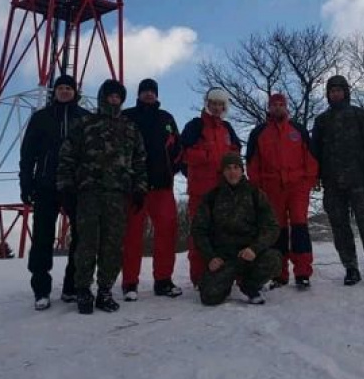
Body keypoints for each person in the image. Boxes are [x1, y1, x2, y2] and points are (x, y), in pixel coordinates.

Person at [56, 79, 148, 314]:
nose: (114, 99)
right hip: (88, 193)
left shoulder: (130, 127)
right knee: (87, 243)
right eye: (110, 95)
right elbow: (67, 157)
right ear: (102, 97)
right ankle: (83, 289)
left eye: (118, 96)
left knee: (112, 246)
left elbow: (140, 160)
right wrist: (65, 187)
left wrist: (140, 188)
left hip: (118, 195)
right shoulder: (85, 123)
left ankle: (105, 290)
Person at [18, 74, 90, 310]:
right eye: (60, 88)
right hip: (46, 185)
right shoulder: (41, 117)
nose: (64, 91)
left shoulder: (85, 118)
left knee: (81, 237)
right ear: (54, 91)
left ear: (75, 91)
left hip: (77, 186)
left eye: (69, 87)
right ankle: (41, 289)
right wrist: (26, 183)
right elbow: (28, 153)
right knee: (42, 238)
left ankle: (72, 286)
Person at [311, 75, 364, 289]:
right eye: (331, 91)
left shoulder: (359, 115)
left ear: (345, 92)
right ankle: (350, 268)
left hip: (359, 181)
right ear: (328, 94)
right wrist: (314, 176)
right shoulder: (321, 121)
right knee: (340, 227)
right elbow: (314, 152)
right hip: (332, 182)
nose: (335, 94)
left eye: (339, 90)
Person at [120, 78, 184, 301]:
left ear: (156, 94)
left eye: (152, 91)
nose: (149, 94)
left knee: (167, 233)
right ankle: (130, 282)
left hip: (162, 186)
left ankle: (163, 280)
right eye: (145, 91)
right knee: (132, 236)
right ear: (138, 94)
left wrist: (172, 169)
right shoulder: (127, 116)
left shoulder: (166, 118)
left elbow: (178, 147)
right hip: (134, 187)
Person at [246, 93, 318, 289]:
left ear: (286, 107)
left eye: (281, 104)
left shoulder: (298, 130)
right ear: (269, 108)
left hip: (297, 187)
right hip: (271, 189)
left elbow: (311, 158)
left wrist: (308, 182)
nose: (277, 107)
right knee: (276, 231)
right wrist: (258, 188)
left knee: (300, 228)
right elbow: (252, 163)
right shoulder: (259, 133)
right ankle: (279, 273)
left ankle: (302, 273)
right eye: (274, 105)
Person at [191, 152, 282, 306]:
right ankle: (225, 283)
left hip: (249, 254)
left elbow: (272, 226)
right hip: (224, 257)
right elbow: (199, 230)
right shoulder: (212, 197)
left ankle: (249, 285)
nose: (232, 172)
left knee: (273, 260)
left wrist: (254, 248)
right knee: (209, 297)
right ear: (223, 172)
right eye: (228, 168)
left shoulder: (255, 194)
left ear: (241, 170)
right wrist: (210, 257)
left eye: (235, 167)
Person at [180, 87, 242, 287]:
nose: (216, 107)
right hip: (201, 191)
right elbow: (182, 154)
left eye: (220, 104)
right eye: (213, 103)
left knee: (225, 233)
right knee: (200, 234)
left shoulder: (227, 128)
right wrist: (208, 156)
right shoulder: (195, 126)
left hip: (224, 191)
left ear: (225, 107)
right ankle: (199, 277)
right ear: (207, 104)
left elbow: (236, 155)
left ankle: (225, 274)